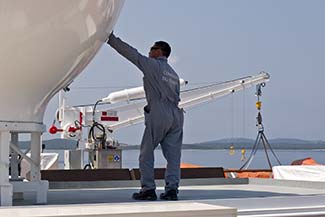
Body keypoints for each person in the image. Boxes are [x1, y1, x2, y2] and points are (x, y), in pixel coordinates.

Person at [107, 32, 184, 201]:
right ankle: (172, 190)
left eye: (152, 48)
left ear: (160, 52)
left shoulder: (153, 65)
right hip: (176, 115)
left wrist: (110, 39)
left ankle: (148, 189)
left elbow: (132, 54)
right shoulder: (174, 75)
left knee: (146, 153)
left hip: (160, 112)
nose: (149, 51)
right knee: (173, 157)